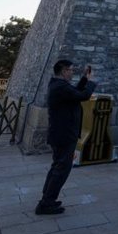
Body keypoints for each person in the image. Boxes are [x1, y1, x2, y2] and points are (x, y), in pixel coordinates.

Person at [36, 60, 96, 215]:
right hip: (64, 134)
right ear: (63, 71)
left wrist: (84, 79)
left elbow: (75, 94)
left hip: (61, 133)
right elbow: (82, 95)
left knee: (57, 166)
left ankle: (47, 199)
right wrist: (90, 82)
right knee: (62, 168)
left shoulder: (58, 85)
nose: (72, 72)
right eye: (70, 70)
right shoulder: (60, 87)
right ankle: (46, 203)